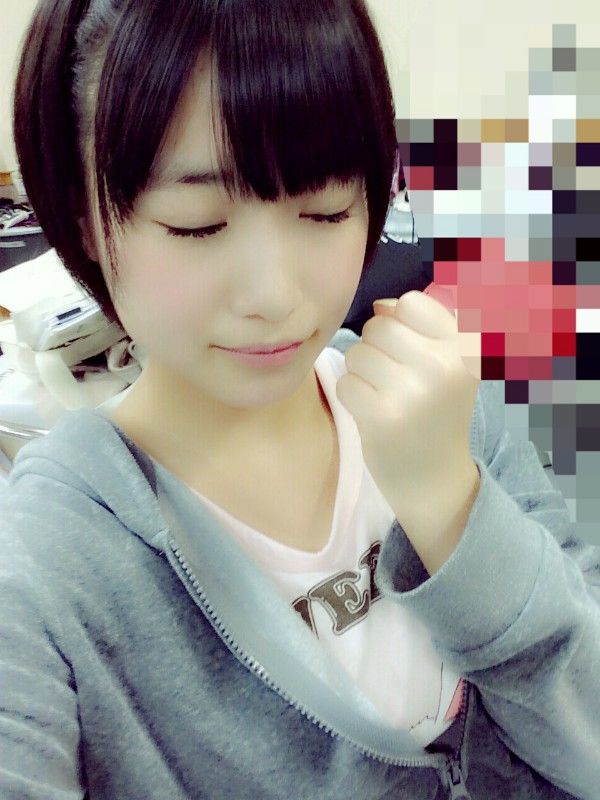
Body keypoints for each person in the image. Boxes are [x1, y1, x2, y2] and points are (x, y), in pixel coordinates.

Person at [1, 1, 599, 798]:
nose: (276, 297)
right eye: (197, 224)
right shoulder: (47, 564)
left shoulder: (441, 412)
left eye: (326, 210)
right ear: (82, 218)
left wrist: (452, 506)